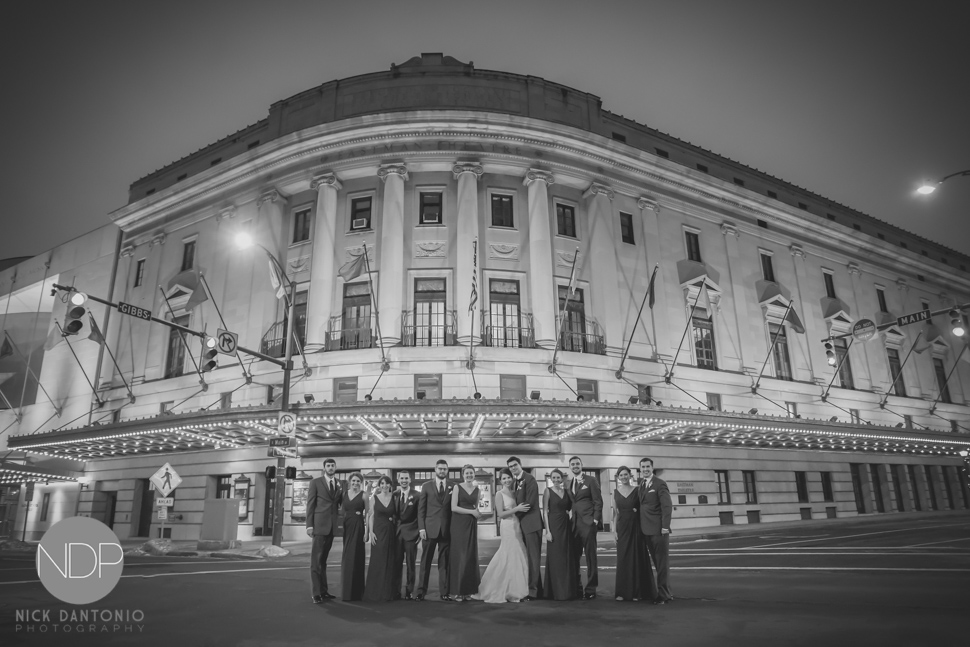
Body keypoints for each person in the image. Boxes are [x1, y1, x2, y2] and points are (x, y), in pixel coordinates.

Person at [473, 468, 530, 603]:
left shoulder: (515, 492)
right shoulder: (499, 494)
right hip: (507, 525)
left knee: (519, 553)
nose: (507, 480)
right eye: (504, 478)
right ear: (500, 480)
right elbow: (500, 514)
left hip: (517, 524)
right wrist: (516, 509)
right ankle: (504, 588)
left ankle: (517, 588)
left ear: (512, 478)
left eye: (508, 477)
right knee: (508, 553)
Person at [612, 465, 652, 602]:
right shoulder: (615, 492)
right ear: (618, 477)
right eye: (621, 475)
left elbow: (644, 508)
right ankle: (622, 592)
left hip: (636, 527)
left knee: (636, 558)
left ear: (630, 475)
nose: (623, 477)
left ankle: (637, 592)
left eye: (625, 474)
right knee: (623, 559)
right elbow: (615, 514)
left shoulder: (637, 490)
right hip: (622, 528)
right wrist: (614, 531)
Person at [306, 458, 342, 603]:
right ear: (324, 468)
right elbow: (310, 504)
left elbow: (340, 503)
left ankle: (323, 591)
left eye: (332, 465)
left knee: (323, 561)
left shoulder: (339, 484)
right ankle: (316, 593)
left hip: (331, 527)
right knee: (316, 561)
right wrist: (309, 525)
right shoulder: (315, 482)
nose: (330, 467)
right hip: (319, 525)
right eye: (328, 465)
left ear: (335, 467)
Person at [566, 456, 603, 599]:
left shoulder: (591, 480)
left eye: (577, 464)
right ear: (570, 467)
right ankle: (577, 587)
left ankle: (591, 589)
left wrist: (595, 520)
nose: (575, 466)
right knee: (574, 557)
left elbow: (598, 501)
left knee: (590, 557)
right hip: (574, 524)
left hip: (588, 523)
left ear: (581, 465)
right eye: (572, 464)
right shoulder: (569, 483)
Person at [638, 457, 673, 604]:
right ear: (640, 469)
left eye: (648, 466)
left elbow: (667, 506)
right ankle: (667, 592)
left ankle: (663, 595)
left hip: (659, 530)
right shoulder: (641, 484)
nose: (645, 469)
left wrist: (665, 527)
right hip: (646, 530)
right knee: (657, 563)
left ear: (652, 468)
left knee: (661, 564)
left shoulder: (660, 484)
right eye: (643, 467)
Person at [417, 459, 453, 601]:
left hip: (446, 530)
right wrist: (421, 528)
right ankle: (421, 592)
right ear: (435, 469)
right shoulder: (426, 486)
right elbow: (421, 510)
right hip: (429, 529)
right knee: (425, 562)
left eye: (444, 469)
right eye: (440, 468)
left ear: (447, 470)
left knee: (444, 563)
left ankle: (444, 592)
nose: (442, 471)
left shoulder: (453, 486)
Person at [508, 456, 543, 600]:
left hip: (531, 524)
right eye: (510, 466)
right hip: (522, 524)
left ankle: (533, 591)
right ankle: (537, 588)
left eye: (515, 465)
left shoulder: (530, 479)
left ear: (520, 464)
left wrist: (513, 513)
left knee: (533, 558)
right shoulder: (515, 482)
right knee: (527, 558)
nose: (513, 468)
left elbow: (530, 503)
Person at [542, 468, 578, 600]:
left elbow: (572, 506)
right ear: (551, 479)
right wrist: (547, 531)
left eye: (558, 477)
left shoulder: (567, 492)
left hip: (566, 525)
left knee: (566, 557)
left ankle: (567, 590)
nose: (556, 480)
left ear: (562, 479)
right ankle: (556, 591)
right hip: (554, 526)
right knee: (556, 558)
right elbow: (545, 511)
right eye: (554, 478)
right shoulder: (547, 491)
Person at [364, 475, 399, 602]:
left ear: (390, 485)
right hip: (378, 532)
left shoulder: (394, 498)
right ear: (379, 485)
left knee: (390, 560)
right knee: (378, 559)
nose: (385, 486)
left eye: (387, 483)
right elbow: (371, 516)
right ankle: (375, 591)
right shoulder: (374, 498)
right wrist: (370, 532)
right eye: (382, 483)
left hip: (391, 531)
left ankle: (388, 591)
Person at [449, 464, 482, 601]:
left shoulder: (477, 490)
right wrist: (471, 512)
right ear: (463, 475)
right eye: (467, 473)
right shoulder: (457, 487)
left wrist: (477, 513)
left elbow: (476, 507)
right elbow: (453, 507)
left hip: (471, 524)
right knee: (460, 555)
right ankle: (458, 591)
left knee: (470, 556)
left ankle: (468, 590)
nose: (469, 475)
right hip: (458, 524)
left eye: (471, 473)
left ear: (474, 474)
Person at [341, 472, 368, 601]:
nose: (355, 483)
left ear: (361, 483)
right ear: (349, 482)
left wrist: (367, 532)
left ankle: (356, 592)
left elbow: (368, 514)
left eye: (358, 481)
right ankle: (346, 591)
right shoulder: (344, 494)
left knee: (355, 555)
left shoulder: (364, 495)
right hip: (347, 526)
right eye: (354, 481)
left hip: (358, 526)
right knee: (347, 557)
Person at [393, 470, 420, 600]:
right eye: (402, 478)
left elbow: (420, 515)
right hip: (397, 535)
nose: (404, 480)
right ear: (398, 480)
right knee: (396, 564)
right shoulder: (394, 494)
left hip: (411, 534)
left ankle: (409, 591)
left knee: (410, 564)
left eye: (406, 478)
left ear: (410, 480)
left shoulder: (417, 495)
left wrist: (419, 532)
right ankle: (396, 590)